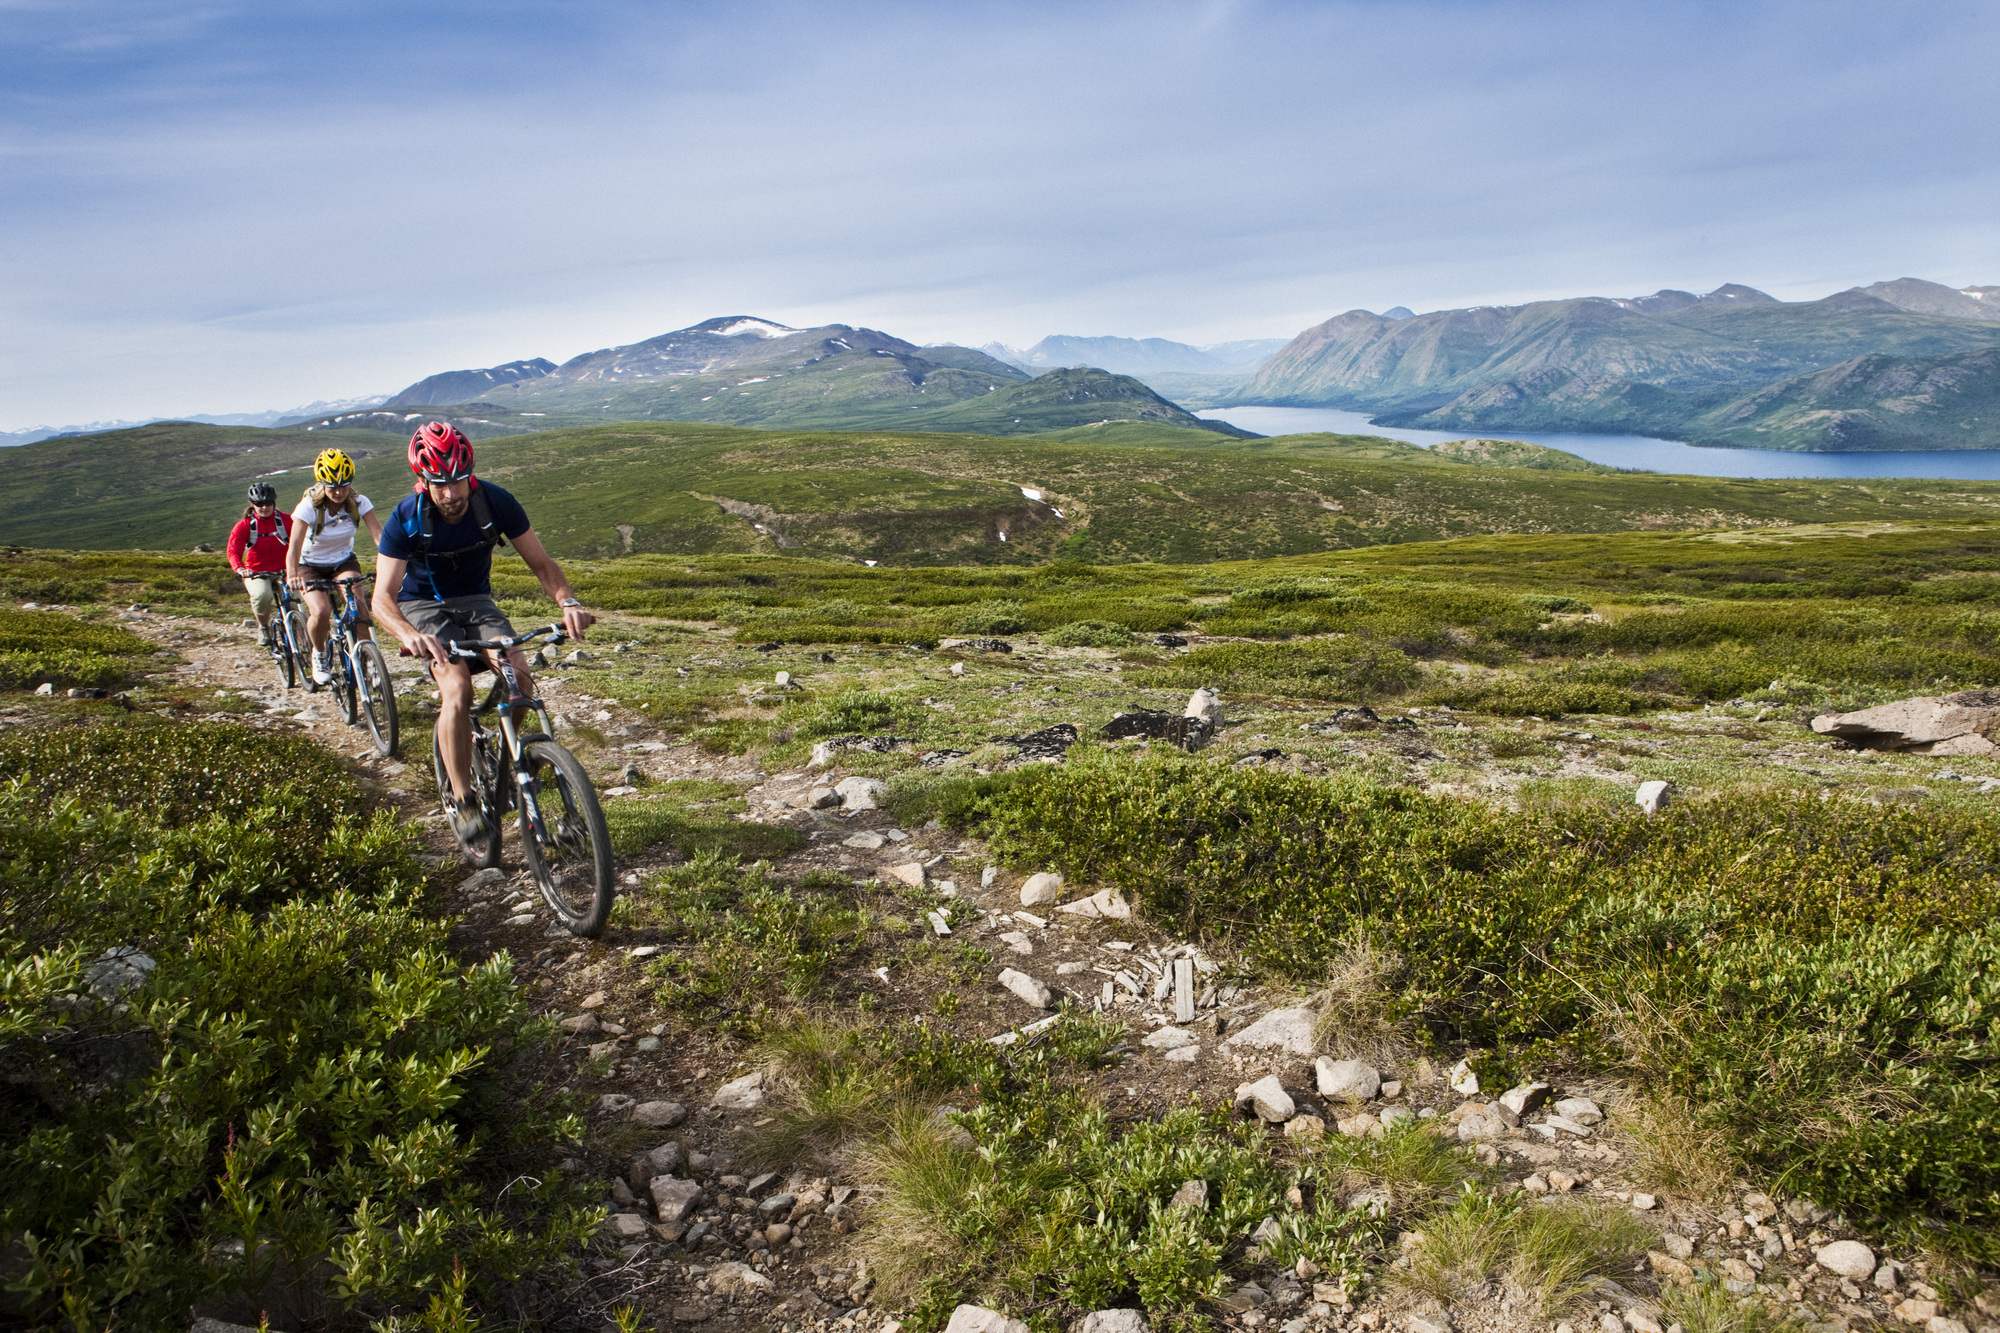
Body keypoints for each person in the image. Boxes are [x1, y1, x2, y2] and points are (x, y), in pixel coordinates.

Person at [372, 422, 595, 847]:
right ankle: (462, 798)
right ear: (423, 481)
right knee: (457, 688)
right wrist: (406, 632)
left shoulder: (495, 502)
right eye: (439, 484)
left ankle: (513, 760)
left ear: (469, 474)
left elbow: (542, 564)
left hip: (476, 600)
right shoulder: (406, 517)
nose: (451, 494)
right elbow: (382, 597)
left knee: (520, 676)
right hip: (423, 605)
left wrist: (567, 602)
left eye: (457, 482)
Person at [286, 447, 384, 685]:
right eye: (332, 487)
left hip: (343, 560)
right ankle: (319, 654)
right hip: (309, 565)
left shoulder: (359, 503)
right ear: (322, 484)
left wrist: (390, 565)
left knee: (359, 607)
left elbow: (379, 538)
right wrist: (292, 575)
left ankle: (368, 661)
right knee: (320, 611)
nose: (339, 492)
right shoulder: (308, 506)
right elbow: (295, 544)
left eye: (344, 485)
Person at [226, 482, 292, 646]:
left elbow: (302, 541)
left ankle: (300, 636)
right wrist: (240, 568)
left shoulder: (286, 521)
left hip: (285, 571)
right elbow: (233, 551)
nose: (264, 507)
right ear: (252, 505)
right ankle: (263, 627)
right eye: (259, 504)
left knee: (294, 602)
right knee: (262, 596)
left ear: (274, 503)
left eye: (268, 503)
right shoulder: (244, 526)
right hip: (256, 571)